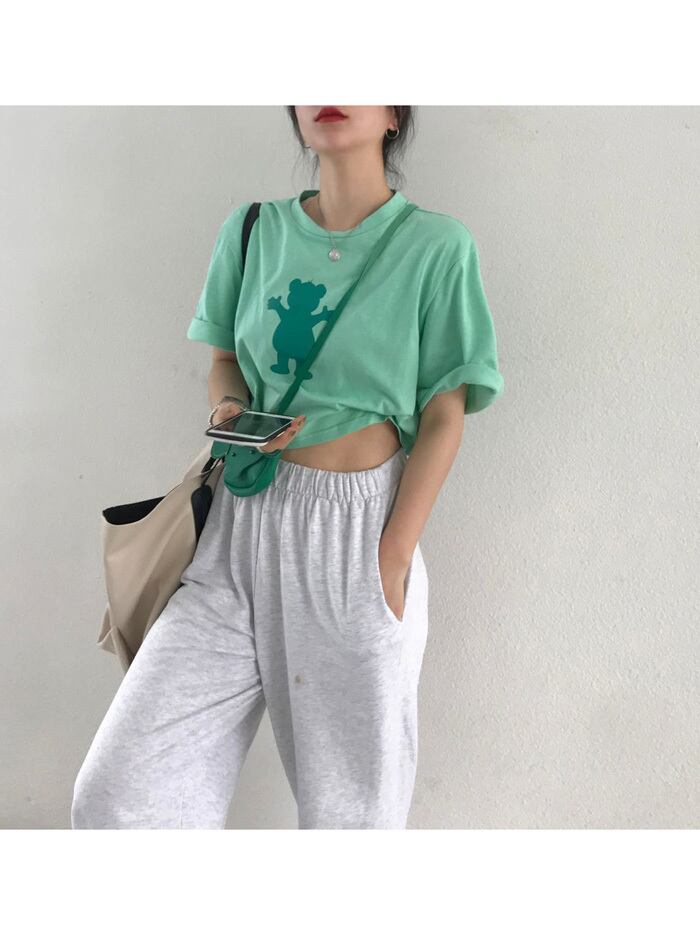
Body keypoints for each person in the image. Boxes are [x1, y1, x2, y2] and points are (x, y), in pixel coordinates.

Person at [71, 105, 505, 830]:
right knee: (121, 798)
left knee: (350, 820)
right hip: (234, 528)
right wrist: (231, 410)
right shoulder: (252, 229)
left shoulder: (436, 246)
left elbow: (443, 414)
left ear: (394, 114)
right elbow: (224, 360)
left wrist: (392, 557)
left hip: (355, 537)